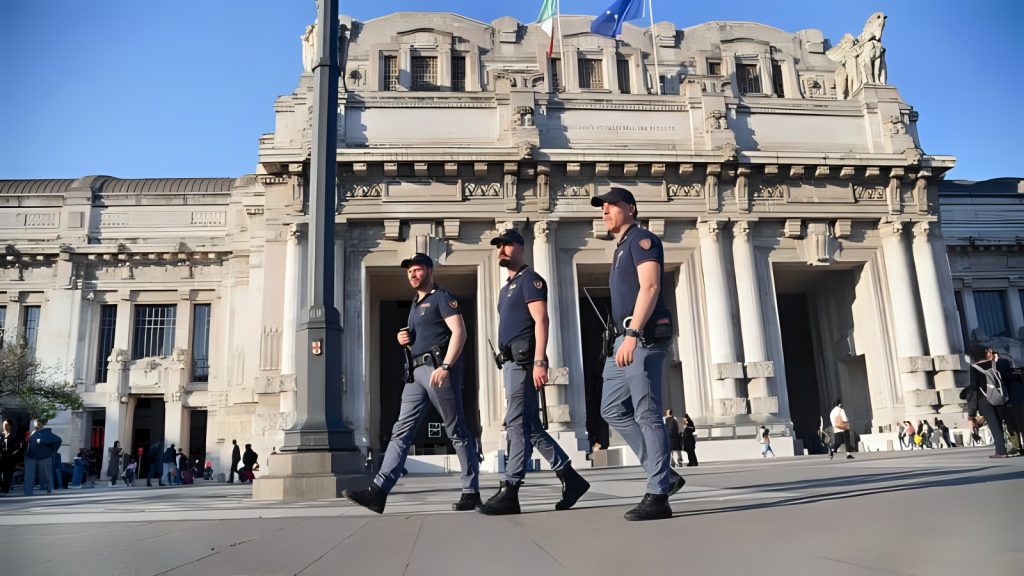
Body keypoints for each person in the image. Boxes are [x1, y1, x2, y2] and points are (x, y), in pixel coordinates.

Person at [343, 253, 481, 514]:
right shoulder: (415, 304)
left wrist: (446, 366)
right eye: (410, 272)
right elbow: (420, 336)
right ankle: (379, 491)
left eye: (418, 270)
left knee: (457, 431)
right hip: (414, 373)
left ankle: (471, 490)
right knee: (400, 432)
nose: (413, 275)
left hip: (437, 370)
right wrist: (403, 338)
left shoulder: (442, 297)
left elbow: (459, 332)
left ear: (429, 271)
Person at [477, 229, 590, 515]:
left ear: (520, 247)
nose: (501, 249)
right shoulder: (506, 288)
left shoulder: (531, 280)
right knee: (531, 427)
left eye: (506, 245)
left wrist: (540, 361)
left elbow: (541, 320)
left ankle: (511, 489)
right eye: (498, 246)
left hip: (525, 361)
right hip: (510, 363)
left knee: (515, 424)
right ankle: (570, 477)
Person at [591, 187, 685, 521]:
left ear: (630, 208)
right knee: (611, 408)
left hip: (641, 337)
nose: (604, 211)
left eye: (611, 206)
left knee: (647, 413)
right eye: (602, 207)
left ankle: (658, 494)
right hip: (622, 340)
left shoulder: (642, 239)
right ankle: (665, 474)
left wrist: (631, 334)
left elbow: (651, 287)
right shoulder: (620, 247)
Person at [963, 344, 1019, 458]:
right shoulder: (994, 364)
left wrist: (971, 411)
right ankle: (1006, 448)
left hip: (984, 400)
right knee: (999, 423)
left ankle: (1001, 451)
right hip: (999, 397)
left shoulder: (974, 368)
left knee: (994, 426)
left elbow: (974, 387)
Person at [24, 419, 62, 496]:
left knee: (46, 474)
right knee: (29, 475)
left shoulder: (46, 432)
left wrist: (52, 450)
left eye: (37, 422)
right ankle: (28, 491)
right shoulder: (31, 433)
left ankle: (49, 488)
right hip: (30, 456)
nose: (35, 424)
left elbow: (58, 440)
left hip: (44, 456)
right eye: (35, 422)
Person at [1, 420, 23, 494]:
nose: (4, 426)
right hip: (1, 457)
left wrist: (12, 453)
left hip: (10, 458)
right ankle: (2, 486)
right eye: (3, 424)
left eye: (6, 424)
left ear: (10, 426)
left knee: (8, 474)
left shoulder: (15, 435)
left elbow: (19, 447)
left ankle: (5, 489)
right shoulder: (1, 435)